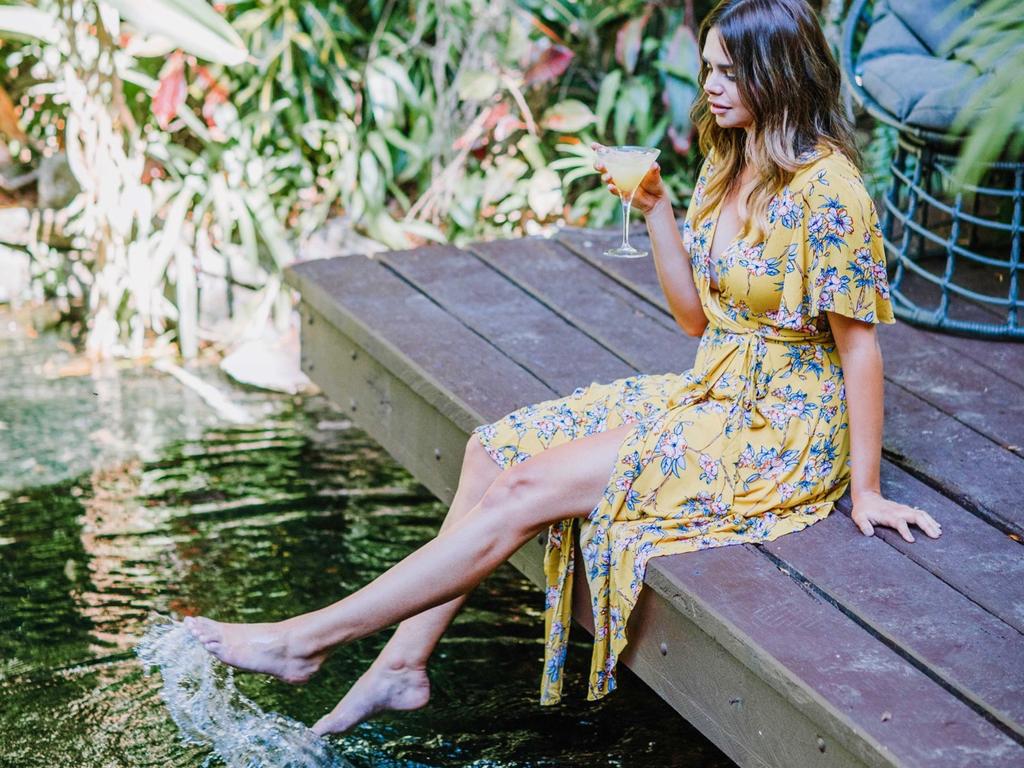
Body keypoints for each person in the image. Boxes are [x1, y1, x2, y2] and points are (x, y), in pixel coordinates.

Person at [184, 0, 943, 737]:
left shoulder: (830, 192)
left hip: (780, 428)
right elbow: (694, 317)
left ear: (780, 75)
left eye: (729, 73)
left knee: (525, 488)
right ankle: (402, 663)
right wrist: (653, 210)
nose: (710, 86)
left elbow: (860, 348)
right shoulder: (728, 155)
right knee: (492, 450)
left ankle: (305, 639)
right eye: (708, 68)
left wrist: (866, 490)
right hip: (711, 385)